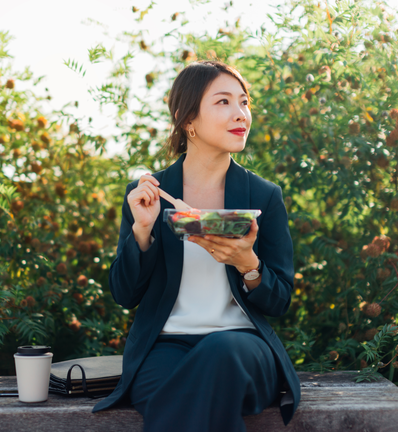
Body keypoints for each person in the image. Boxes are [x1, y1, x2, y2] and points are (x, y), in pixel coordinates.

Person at [92, 60, 301, 431]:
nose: (240, 114)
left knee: (217, 356)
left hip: (242, 348)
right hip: (166, 349)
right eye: (223, 102)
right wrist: (143, 231)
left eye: (244, 102)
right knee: (186, 398)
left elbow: (280, 299)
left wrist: (248, 264)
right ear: (187, 119)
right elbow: (124, 294)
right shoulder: (149, 195)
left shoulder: (264, 196)